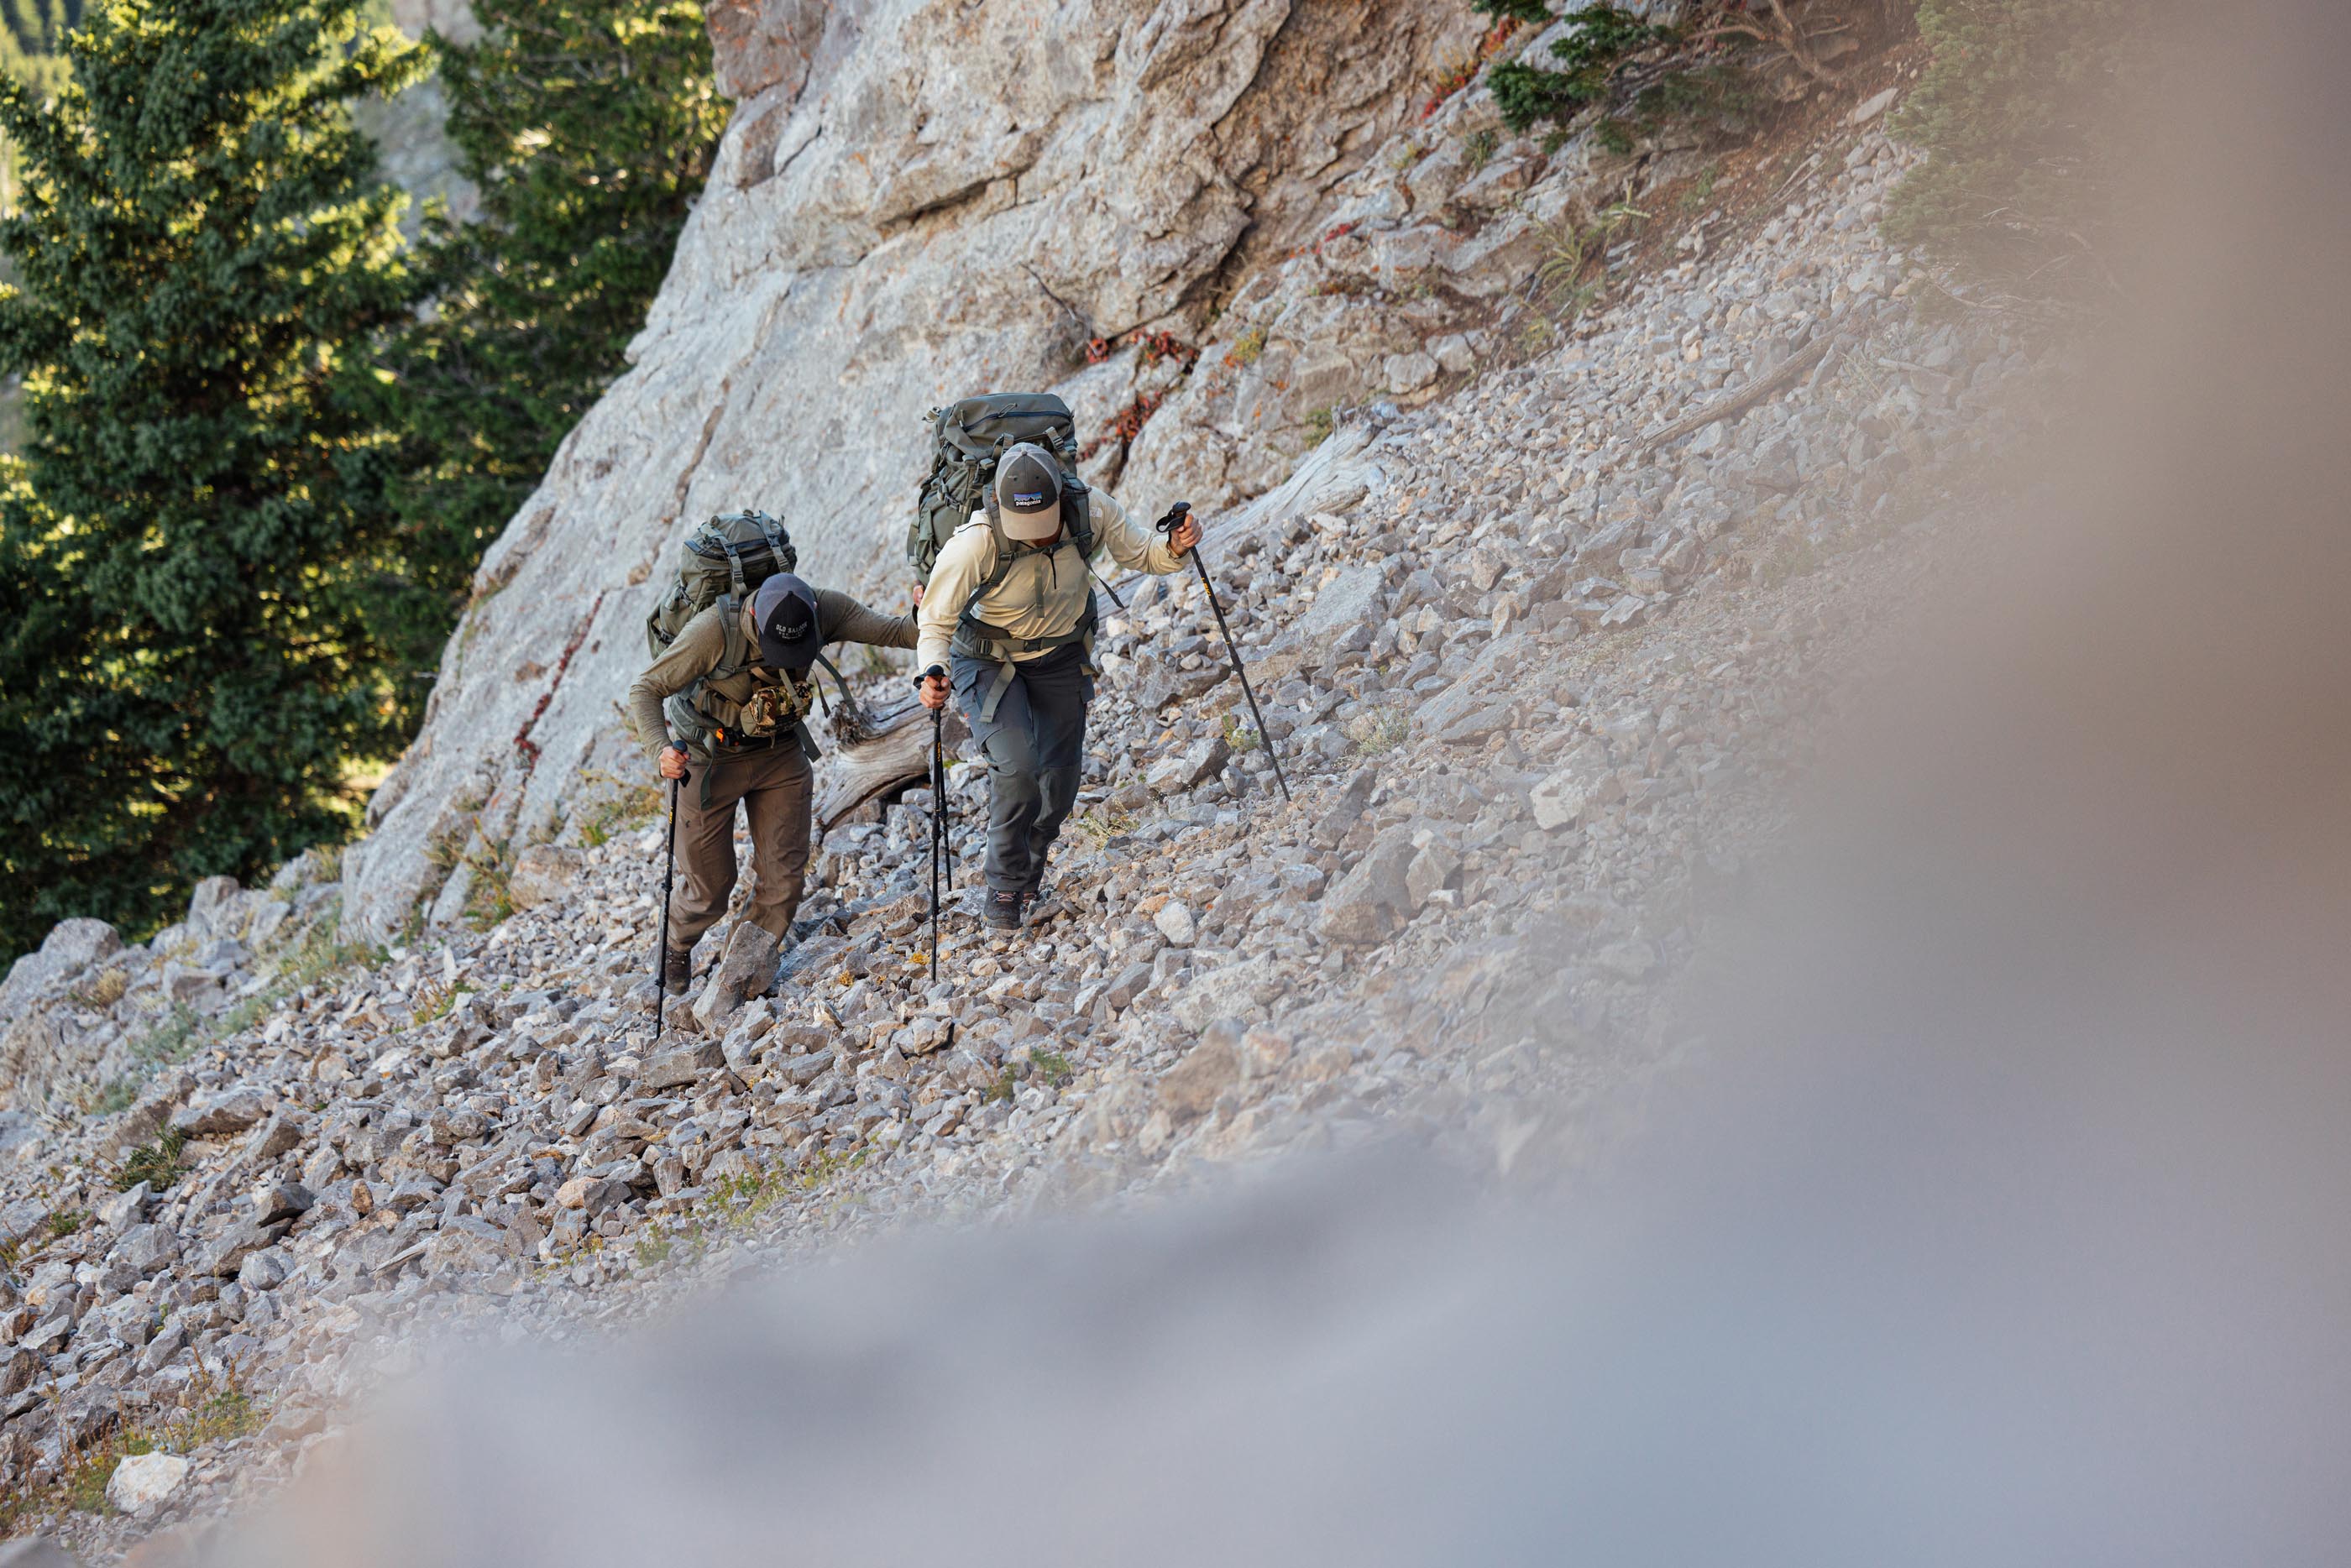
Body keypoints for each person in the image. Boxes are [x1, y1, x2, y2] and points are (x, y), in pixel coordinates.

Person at [914, 442, 1202, 928]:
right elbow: (935, 622)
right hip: (987, 658)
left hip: (1061, 654)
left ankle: (1030, 869)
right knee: (1018, 766)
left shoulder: (1091, 508)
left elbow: (1142, 552)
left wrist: (1175, 546)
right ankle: (1003, 889)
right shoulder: (975, 542)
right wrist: (931, 675)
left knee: (1061, 781)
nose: (1033, 536)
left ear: (1060, 499)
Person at [630, 572, 914, 990]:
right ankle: (676, 940)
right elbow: (646, 688)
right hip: (710, 759)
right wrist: (660, 750)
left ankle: (739, 972)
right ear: (755, 620)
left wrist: (929, 607)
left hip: (779, 752)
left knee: (784, 880)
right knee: (711, 887)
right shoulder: (712, 631)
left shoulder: (823, 608)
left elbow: (897, 632)